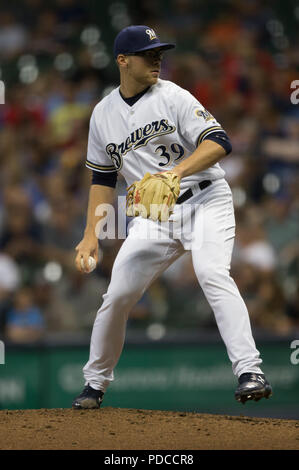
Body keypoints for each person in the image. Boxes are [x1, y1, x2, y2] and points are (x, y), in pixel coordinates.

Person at [72, 25, 272, 409]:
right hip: (155, 217)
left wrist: (175, 173)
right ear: (123, 60)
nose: (157, 60)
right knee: (117, 295)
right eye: (149, 54)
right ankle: (94, 385)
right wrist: (90, 235)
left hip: (206, 199)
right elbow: (102, 177)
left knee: (213, 273)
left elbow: (220, 142)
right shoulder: (102, 115)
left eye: (159, 53)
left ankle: (250, 370)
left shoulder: (174, 96)